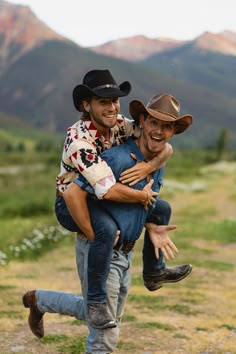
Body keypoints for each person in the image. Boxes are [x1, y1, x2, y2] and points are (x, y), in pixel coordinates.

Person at [22, 92, 193, 353]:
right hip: (100, 242)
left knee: (104, 317)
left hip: (125, 252)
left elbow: (142, 201)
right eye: (154, 123)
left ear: (173, 131)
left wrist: (152, 225)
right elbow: (73, 193)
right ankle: (90, 300)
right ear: (143, 122)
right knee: (104, 336)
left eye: (167, 126)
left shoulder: (155, 154)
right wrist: (94, 235)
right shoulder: (114, 157)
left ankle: (40, 300)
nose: (159, 131)